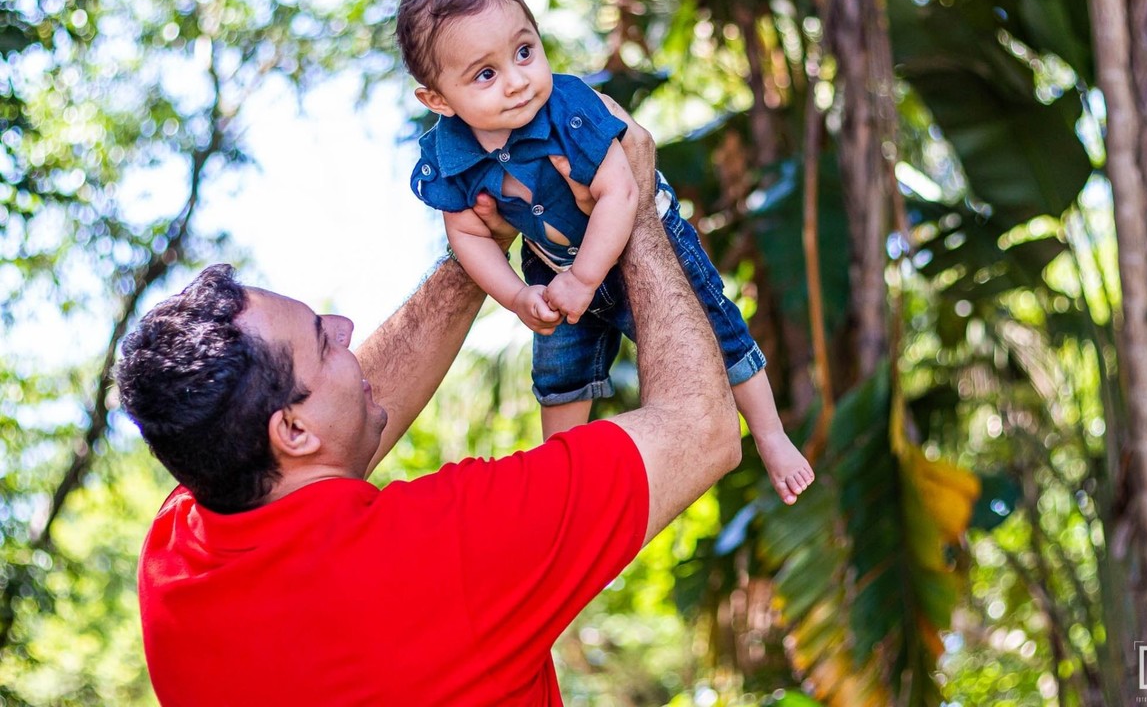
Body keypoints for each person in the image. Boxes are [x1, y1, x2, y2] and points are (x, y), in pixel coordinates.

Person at [115, 103, 745, 706]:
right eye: (321, 339)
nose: (344, 327)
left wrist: (474, 256)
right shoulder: (445, 552)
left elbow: (344, 425)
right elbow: (701, 427)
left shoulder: (178, 557)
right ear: (291, 430)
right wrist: (629, 207)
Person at [395, 0, 814, 504]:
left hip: (642, 236)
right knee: (558, 372)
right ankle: (564, 496)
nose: (518, 79)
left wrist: (587, 277)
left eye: (524, 52)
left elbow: (621, 192)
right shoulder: (448, 157)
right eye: (485, 74)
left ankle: (771, 436)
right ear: (439, 101)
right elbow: (469, 236)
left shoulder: (569, 107)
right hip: (552, 264)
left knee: (718, 335)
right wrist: (518, 296)